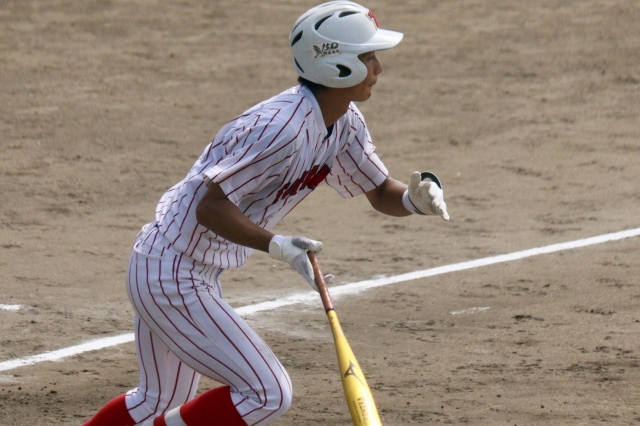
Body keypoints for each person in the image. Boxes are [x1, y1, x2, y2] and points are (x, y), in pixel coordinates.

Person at [83, 1, 449, 425]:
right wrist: (279, 246)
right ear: (338, 65)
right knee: (268, 392)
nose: (379, 68)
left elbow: (381, 191)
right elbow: (210, 207)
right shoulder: (281, 129)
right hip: (170, 273)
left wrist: (415, 200)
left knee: (156, 401)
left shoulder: (345, 121)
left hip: (182, 267)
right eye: (368, 57)